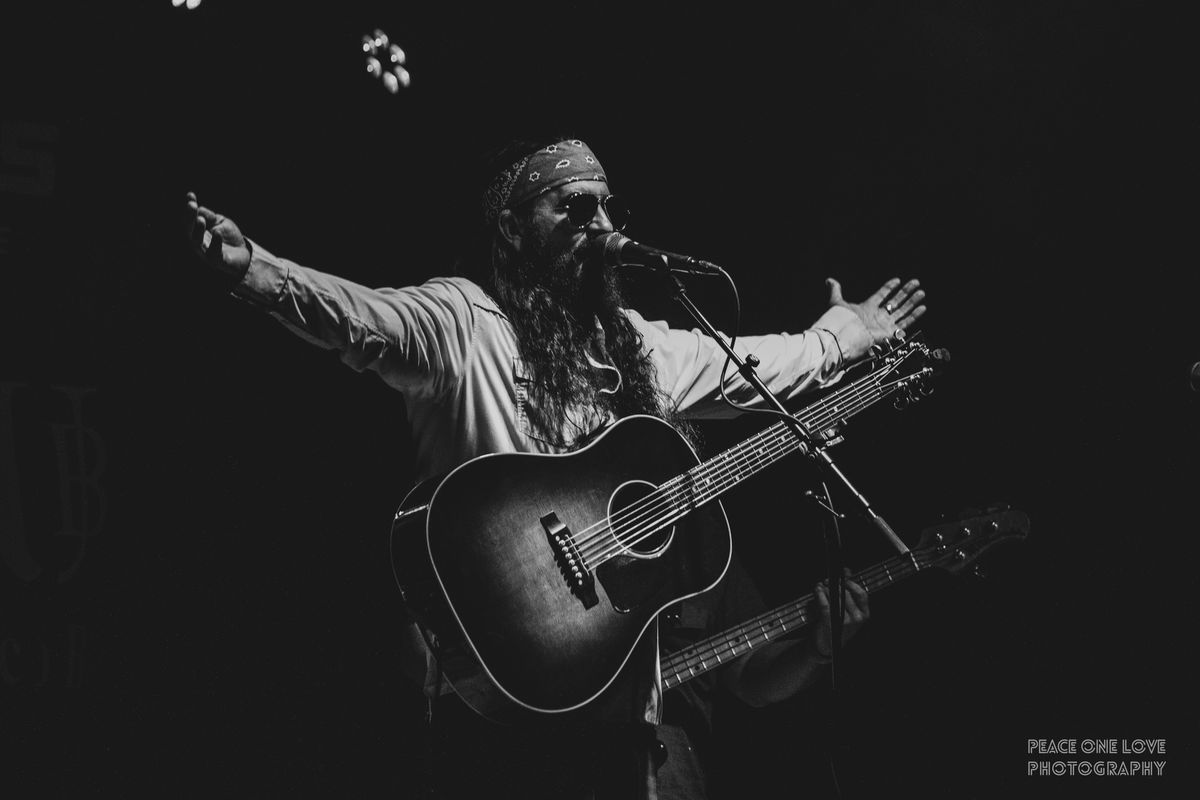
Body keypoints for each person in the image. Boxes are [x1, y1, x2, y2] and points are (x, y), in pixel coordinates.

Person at [183, 134, 922, 799]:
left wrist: (843, 335)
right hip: (499, 710)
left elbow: (755, 367)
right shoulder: (466, 323)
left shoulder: (637, 347)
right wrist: (255, 269)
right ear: (513, 225)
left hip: (622, 732)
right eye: (573, 207)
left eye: (606, 207)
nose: (600, 226)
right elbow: (364, 321)